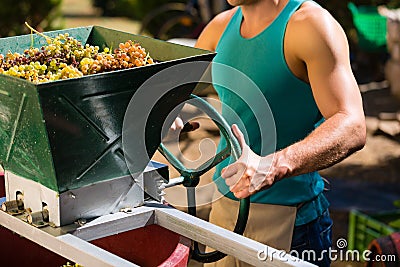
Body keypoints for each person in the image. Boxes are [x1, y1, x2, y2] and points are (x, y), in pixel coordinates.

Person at [172, 0, 366, 266]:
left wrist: (273, 166)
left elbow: (352, 125)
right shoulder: (220, 26)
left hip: (290, 222)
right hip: (223, 214)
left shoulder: (309, 25)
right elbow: (180, 93)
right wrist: (174, 114)